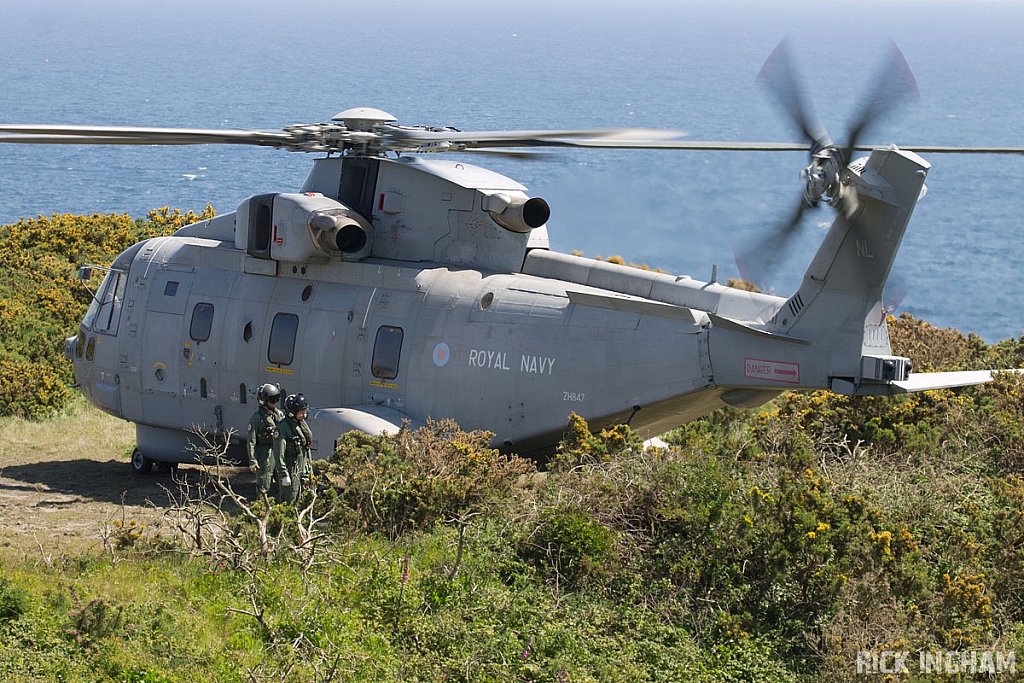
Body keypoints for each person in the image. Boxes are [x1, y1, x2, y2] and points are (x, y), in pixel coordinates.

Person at [246, 383, 287, 496]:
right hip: (264, 455)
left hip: (278, 452)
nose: (275, 403)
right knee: (264, 484)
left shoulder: (279, 415)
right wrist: (253, 460)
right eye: (272, 400)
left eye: (276, 399)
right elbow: (251, 441)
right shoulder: (257, 419)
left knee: (283, 483)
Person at [274, 393, 313, 504]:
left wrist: (309, 467)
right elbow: (278, 453)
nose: (304, 414)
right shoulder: (283, 428)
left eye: (304, 411)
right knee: (289, 499)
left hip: (303, 466)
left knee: (303, 498)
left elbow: (306, 448)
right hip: (291, 468)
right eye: (301, 411)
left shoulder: (301, 424)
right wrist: (284, 474)